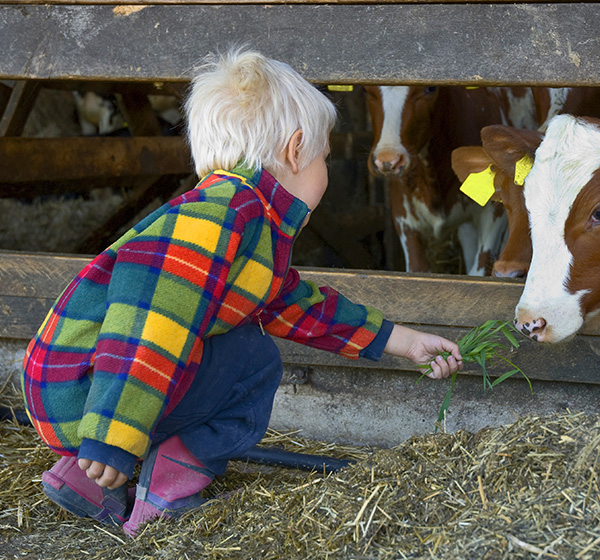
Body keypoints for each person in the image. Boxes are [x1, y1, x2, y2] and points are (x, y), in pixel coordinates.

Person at [21, 48, 463, 537]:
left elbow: (292, 305)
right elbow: (145, 324)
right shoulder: (223, 216)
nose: (326, 173)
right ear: (295, 150)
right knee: (251, 360)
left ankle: (84, 481)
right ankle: (168, 487)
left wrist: (403, 341)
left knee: (219, 342)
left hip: (72, 385)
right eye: (325, 158)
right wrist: (110, 436)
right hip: (89, 390)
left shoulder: (241, 219)